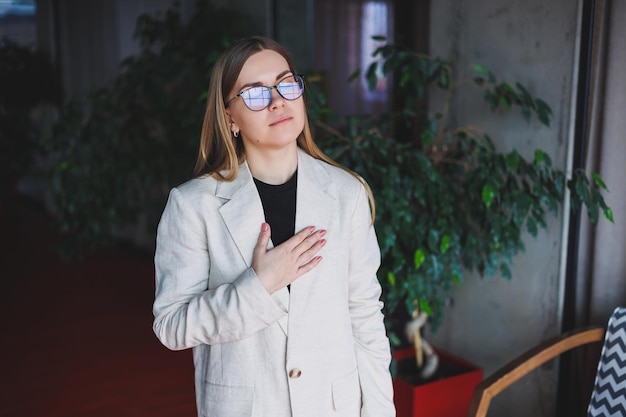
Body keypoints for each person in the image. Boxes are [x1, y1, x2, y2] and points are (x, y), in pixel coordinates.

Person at [152, 36, 395, 417]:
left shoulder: (347, 193)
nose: (278, 101)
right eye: (254, 94)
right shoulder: (192, 205)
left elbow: (364, 316)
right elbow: (171, 325)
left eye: (286, 84)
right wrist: (258, 287)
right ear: (229, 116)